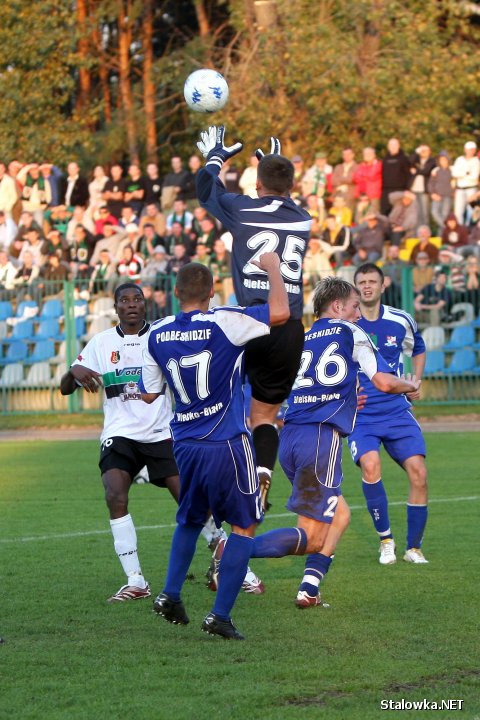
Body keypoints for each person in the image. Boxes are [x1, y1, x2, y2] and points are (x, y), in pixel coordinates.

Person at [139, 253, 290, 640]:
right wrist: (273, 268)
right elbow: (280, 312)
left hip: (185, 444)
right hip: (225, 442)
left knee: (190, 518)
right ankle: (220, 615)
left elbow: (149, 394)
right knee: (245, 524)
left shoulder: (156, 332)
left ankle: (170, 594)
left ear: (175, 293)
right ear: (210, 292)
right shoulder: (225, 319)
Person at [247, 277, 419, 608]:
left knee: (339, 515)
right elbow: (383, 382)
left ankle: (309, 588)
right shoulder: (350, 332)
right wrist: (409, 385)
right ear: (337, 307)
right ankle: (236, 549)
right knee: (311, 536)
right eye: (355, 306)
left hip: (292, 438)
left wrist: (346, 397)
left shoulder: (301, 339)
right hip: (320, 439)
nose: (359, 313)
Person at [195, 125, 311, 512]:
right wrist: (270, 165)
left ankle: (218, 479)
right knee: (264, 415)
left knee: (219, 404)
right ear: (290, 185)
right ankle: (262, 473)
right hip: (291, 326)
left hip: (251, 319)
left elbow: (206, 190)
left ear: (257, 183)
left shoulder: (243, 208)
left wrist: (216, 157)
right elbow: (277, 193)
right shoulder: (304, 217)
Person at [59, 283, 181, 602]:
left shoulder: (161, 337)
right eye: (124, 300)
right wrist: (74, 370)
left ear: (144, 305)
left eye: (136, 299)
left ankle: (230, 564)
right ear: (115, 308)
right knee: (115, 494)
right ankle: (136, 580)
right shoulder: (102, 342)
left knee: (189, 497)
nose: (131, 304)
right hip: (119, 434)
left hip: (159, 433)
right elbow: (64, 388)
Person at [349, 263, 429, 565]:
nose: (367, 286)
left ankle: (414, 548)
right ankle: (386, 541)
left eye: (372, 281)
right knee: (371, 466)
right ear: (356, 288)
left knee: (419, 473)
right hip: (362, 415)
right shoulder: (347, 327)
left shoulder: (400, 320)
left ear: (383, 286)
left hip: (397, 411)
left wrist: (415, 382)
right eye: (362, 282)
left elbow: (418, 348)